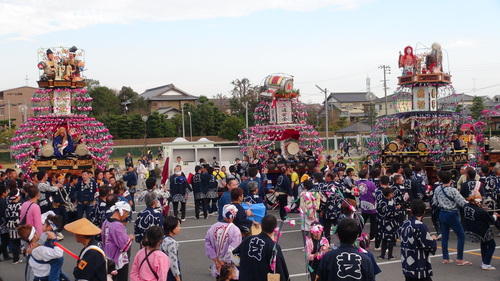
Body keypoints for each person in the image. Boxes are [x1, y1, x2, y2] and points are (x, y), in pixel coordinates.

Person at [233, 214, 289, 281]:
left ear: (261, 226)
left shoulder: (247, 240)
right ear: (275, 228)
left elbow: (235, 255)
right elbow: (279, 268)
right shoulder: (273, 247)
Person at [432, 170, 471, 265]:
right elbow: (462, 203)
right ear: (450, 179)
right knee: (461, 235)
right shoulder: (453, 190)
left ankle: (446, 258)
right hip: (452, 213)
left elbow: (434, 202)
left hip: (442, 213)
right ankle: (460, 258)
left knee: (445, 236)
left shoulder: (437, 189)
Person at [399, 199, 437, 281]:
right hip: (418, 265)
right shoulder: (420, 226)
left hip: (407, 263)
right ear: (424, 212)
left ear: (411, 211)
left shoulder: (405, 223)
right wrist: (433, 239)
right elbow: (428, 245)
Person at [462, 190, 500, 270]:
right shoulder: (480, 210)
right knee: (491, 245)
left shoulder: (465, 206)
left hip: (472, 228)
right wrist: (495, 215)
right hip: (483, 229)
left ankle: (484, 261)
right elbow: (490, 219)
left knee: (483, 244)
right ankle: (486, 263)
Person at [205, 204, 242, 279]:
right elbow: (233, 250)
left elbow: (208, 245)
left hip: (217, 266)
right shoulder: (235, 230)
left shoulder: (213, 227)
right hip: (230, 268)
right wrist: (223, 261)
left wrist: (216, 261)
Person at [101, 202, 134, 280]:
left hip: (107, 256)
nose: (126, 216)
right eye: (127, 213)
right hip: (117, 260)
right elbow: (125, 246)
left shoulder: (106, 221)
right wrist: (130, 238)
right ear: (123, 212)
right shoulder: (117, 226)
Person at [376, 187, 401, 260]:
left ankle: (382, 255)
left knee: (384, 239)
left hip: (382, 222)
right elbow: (392, 213)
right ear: (389, 194)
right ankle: (390, 255)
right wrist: (398, 212)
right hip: (390, 223)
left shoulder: (380, 201)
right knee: (391, 239)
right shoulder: (390, 202)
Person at [357, 169, 377, 241]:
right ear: (366, 175)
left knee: (363, 220)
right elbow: (375, 193)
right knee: (373, 221)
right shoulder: (370, 183)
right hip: (371, 203)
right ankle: (372, 236)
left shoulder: (357, 182)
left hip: (363, 202)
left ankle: (358, 234)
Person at [160, 216, 182, 281]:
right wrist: (178, 278)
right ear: (171, 228)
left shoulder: (163, 238)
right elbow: (173, 262)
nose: (179, 228)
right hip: (170, 273)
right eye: (178, 226)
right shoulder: (171, 243)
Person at [5, 188, 23, 264]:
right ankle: (18, 258)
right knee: (20, 242)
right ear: (17, 197)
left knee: (14, 243)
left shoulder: (8, 206)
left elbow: (6, 216)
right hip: (18, 225)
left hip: (10, 226)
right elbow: (21, 216)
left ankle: (15, 258)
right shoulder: (19, 205)